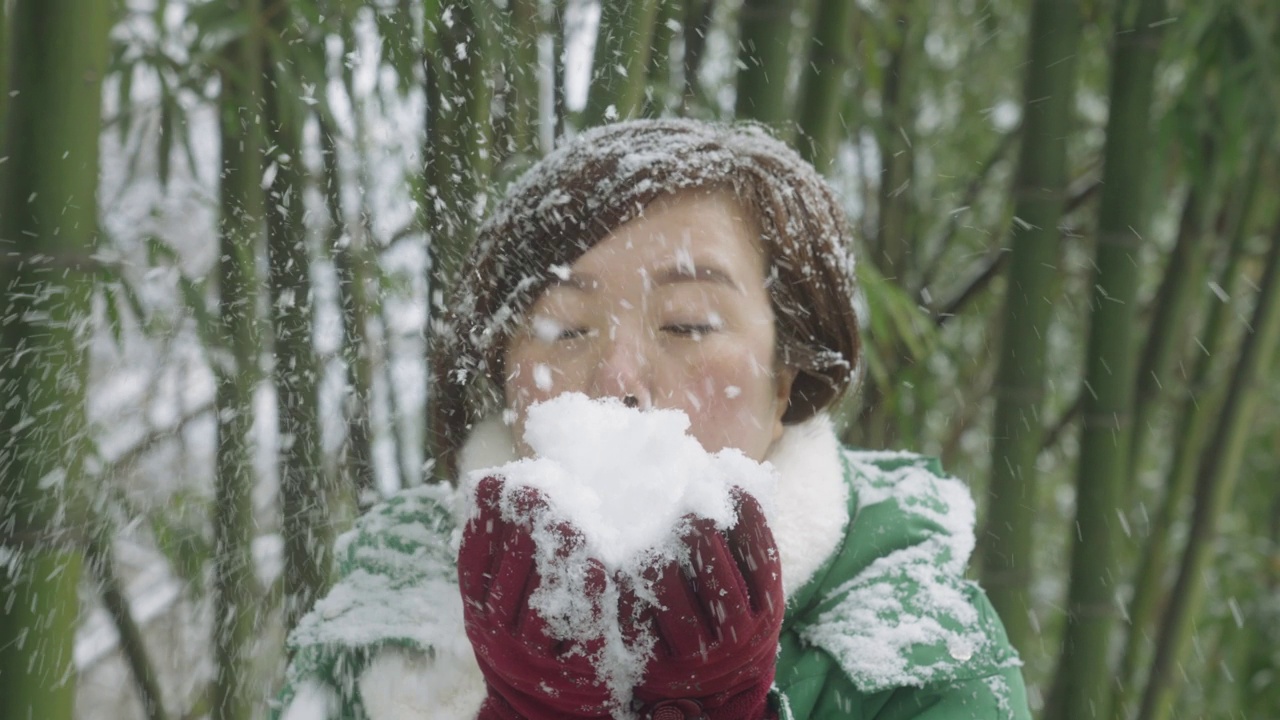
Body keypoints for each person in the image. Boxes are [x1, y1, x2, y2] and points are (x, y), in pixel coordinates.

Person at [275, 119, 1031, 720]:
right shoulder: (383, 622)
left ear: (785, 380)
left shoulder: (919, 645)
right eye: (567, 330)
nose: (618, 383)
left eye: (689, 324)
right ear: (504, 379)